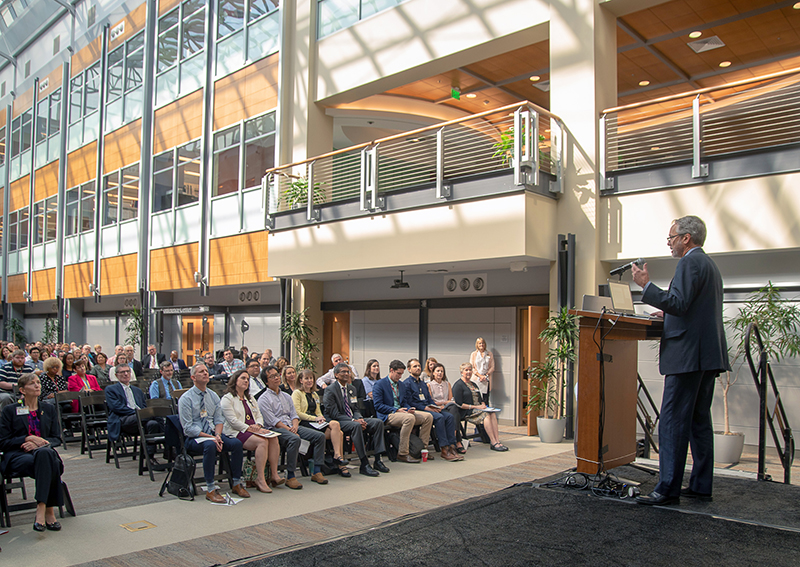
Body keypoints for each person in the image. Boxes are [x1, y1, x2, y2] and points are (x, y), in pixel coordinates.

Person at [631, 215, 729, 506]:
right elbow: (691, 307)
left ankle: (667, 489)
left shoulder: (689, 262)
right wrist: (669, 314)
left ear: (687, 238)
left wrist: (646, 286)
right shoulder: (709, 264)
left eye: (671, 238)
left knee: (672, 420)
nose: (670, 243)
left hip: (688, 355)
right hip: (707, 355)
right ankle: (700, 485)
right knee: (699, 421)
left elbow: (679, 302)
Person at [0, 373, 65, 532]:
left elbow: (56, 438)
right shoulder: (10, 410)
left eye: (38, 382)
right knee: (52, 462)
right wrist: (26, 438)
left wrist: (41, 444)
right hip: (18, 456)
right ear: (22, 390)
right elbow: (3, 442)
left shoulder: (48, 409)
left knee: (45, 454)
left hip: (42, 453)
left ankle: (41, 508)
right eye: (32, 383)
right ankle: (49, 510)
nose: (37, 385)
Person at [178, 363, 249, 502]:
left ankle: (236, 483)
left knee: (236, 443)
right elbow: (188, 428)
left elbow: (219, 419)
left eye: (206, 371)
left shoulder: (213, 396)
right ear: (193, 377)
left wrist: (217, 435)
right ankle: (210, 489)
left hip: (213, 434)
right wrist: (211, 437)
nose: (205, 373)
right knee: (210, 445)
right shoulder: (186, 398)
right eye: (201, 372)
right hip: (196, 437)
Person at [257, 365, 328, 488]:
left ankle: (316, 471)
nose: (276, 378)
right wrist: (289, 429)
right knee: (294, 439)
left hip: (292, 426)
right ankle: (291, 476)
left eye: (277, 375)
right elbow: (272, 421)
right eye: (272, 377)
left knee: (319, 436)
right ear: (266, 381)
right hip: (276, 429)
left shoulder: (286, 396)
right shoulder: (263, 399)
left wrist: (294, 426)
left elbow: (294, 414)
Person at [220, 369, 281, 493]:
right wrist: (249, 428)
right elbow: (232, 421)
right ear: (235, 380)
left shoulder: (250, 398)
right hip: (237, 431)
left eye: (247, 379)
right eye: (243, 378)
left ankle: (274, 475)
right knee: (262, 442)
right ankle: (260, 479)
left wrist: (258, 425)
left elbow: (259, 415)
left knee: (273, 438)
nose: (246, 381)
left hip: (253, 429)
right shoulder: (228, 398)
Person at [323, 363, 389, 477]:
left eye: (348, 372)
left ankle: (378, 460)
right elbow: (334, 414)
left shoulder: (352, 389)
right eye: (343, 372)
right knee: (356, 426)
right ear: (336, 375)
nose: (346, 374)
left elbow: (356, 408)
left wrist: (359, 418)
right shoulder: (330, 390)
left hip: (353, 419)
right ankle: (364, 463)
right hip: (338, 421)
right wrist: (354, 421)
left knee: (378, 423)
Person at [372, 360, 433, 464]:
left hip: (402, 412)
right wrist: (396, 410)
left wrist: (409, 408)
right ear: (391, 370)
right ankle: (403, 453)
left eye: (401, 374)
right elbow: (378, 405)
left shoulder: (401, 385)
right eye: (398, 373)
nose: (400, 376)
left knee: (428, 417)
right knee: (409, 418)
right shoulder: (380, 384)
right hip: (389, 414)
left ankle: (422, 449)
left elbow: (404, 402)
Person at [292, 369, 350, 477]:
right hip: (304, 423)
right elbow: (298, 413)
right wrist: (315, 419)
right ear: (301, 380)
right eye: (306, 378)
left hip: (316, 423)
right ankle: (341, 464)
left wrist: (321, 418)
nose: (309, 381)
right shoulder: (297, 393)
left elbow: (318, 412)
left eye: (311, 378)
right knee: (340, 434)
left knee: (335, 425)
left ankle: (337, 456)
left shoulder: (314, 394)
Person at [105, 364, 165, 469]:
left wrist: (142, 414)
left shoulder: (137, 390)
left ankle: (150, 458)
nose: (126, 374)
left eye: (128, 371)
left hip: (141, 419)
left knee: (153, 423)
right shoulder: (111, 389)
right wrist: (137, 413)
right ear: (116, 375)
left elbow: (143, 406)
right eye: (122, 372)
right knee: (156, 416)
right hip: (123, 419)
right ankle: (169, 447)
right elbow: (117, 407)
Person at [404, 359, 462, 461]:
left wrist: (433, 406)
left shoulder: (422, 384)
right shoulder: (407, 383)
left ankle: (452, 446)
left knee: (449, 416)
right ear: (409, 369)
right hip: (418, 410)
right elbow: (409, 402)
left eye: (419, 366)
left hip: (429, 407)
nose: (418, 368)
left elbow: (429, 399)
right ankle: (444, 448)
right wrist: (425, 407)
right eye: (415, 366)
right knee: (439, 418)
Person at [452, 363, 508, 451]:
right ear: (461, 372)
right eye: (466, 370)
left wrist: (483, 405)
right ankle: (493, 442)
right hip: (467, 411)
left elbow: (480, 398)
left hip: (478, 409)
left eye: (470, 370)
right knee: (486, 415)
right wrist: (476, 407)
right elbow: (459, 404)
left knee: (492, 414)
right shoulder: (458, 385)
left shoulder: (474, 384)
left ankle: (497, 440)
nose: (469, 372)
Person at [427, 363, 466, 454]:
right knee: (452, 413)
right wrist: (443, 403)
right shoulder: (429, 385)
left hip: (448, 407)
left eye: (442, 371)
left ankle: (454, 436)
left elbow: (451, 399)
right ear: (433, 373)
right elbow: (431, 401)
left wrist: (446, 403)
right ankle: (456, 440)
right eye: (438, 371)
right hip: (437, 407)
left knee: (453, 408)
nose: (440, 373)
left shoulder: (447, 384)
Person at [470, 337, 494, 405]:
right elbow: (472, 367)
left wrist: (485, 376)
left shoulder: (489, 354)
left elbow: (492, 367)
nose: (481, 344)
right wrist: (479, 376)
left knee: (485, 399)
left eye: (483, 343)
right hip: (476, 378)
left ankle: (486, 414)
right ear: (477, 344)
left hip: (486, 378)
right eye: (479, 343)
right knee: (476, 398)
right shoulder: (474, 354)